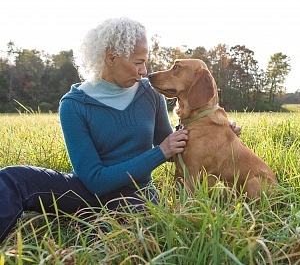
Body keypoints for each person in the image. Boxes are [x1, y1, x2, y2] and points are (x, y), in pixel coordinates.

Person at [0, 17, 241, 243]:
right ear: (111, 57)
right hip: (85, 191)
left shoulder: (150, 93)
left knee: (122, 230)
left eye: (145, 62)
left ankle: (68, 222)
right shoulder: (74, 105)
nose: (144, 71)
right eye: (138, 62)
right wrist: (160, 153)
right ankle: (60, 217)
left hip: (135, 196)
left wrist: (216, 133)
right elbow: (94, 180)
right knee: (13, 178)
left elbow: (173, 145)